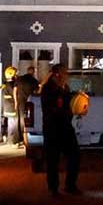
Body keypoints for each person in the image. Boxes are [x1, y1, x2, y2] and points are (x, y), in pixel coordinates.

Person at [40, 64, 80, 196]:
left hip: (66, 127)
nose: (67, 75)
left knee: (74, 155)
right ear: (57, 74)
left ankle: (70, 185)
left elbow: (68, 105)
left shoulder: (64, 88)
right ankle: (53, 188)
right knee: (53, 159)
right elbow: (51, 109)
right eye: (65, 73)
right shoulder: (48, 89)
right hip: (53, 128)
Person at [15, 66, 40, 146]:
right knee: (28, 121)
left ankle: (19, 138)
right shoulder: (34, 81)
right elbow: (37, 92)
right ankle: (26, 137)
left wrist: (16, 101)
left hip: (20, 101)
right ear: (33, 72)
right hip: (30, 102)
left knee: (20, 119)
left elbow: (15, 90)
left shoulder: (19, 79)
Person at [0, 66, 19, 144]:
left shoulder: (4, 84)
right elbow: (14, 94)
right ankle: (11, 141)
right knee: (13, 124)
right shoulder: (13, 84)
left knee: (9, 123)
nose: (16, 76)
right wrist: (16, 104)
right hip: (11, 107)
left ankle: (9, 139)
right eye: (15, 74)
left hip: (6, 106)